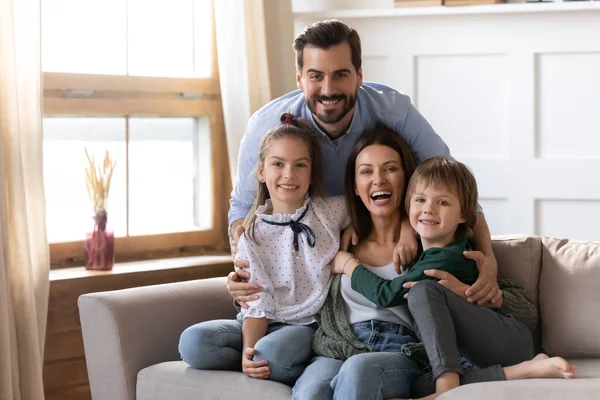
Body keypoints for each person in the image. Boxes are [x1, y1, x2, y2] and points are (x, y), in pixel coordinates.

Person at [228, 19, 502, 310]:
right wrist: (242, 266)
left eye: (341, 75)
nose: (328, 89)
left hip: (382, 242)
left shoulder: (395, 111)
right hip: (299, 265)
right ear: (299, 79)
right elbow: (242, 207)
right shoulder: (265, 127)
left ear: (359, 75)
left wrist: (490, 263)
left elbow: (451, 186)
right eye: (316, 76)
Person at [333, 157, 576, 399]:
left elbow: (384, 295)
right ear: (408, 209)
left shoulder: (450, 256)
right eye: (420, 200)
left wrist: (348, 264)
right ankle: (522, 371)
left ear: (463, 215)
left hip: (507, 340)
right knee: (419, 383)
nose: (429, 208)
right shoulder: (427, 252)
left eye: (442, 202)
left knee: (421, 290)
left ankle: (446, 386)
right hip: (478, 354)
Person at [178, 113, 350, 386]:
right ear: (262, 171)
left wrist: (354, 230)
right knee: (193, 343)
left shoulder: (328, 211)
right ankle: (257, 363)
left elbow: (371, 207)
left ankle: (278, 360)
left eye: (300, 165)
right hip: (259, 321)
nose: (288, 174)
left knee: (269, 355)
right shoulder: (251, 233)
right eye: (278, 164)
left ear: (311, 171)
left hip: (305, 325)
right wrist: (249, 351)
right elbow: (257, 303)